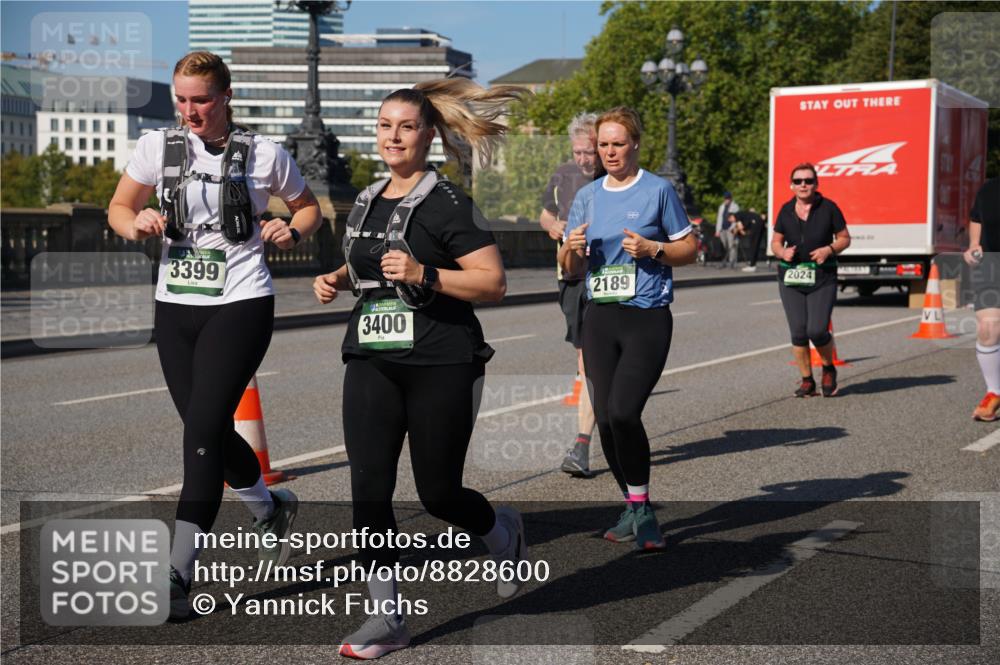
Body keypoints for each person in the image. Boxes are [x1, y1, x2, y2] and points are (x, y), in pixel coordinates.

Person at [311, 78, 530, 660]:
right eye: (385, 126)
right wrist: (337, 278)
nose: (393, 137)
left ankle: (500, 531)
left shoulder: (449, 203)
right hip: (371, 360)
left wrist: (425, 276)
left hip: (442, 360)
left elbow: (493, 282)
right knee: (369, 489)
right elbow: (367, 263)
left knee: (438, 493)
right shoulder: (365, 199)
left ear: (429, 135)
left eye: (406, 127)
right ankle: (387, 616)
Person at [107, 51, 322, 620]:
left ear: (225, 95)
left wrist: (288, 226)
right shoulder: (157, 147)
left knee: (201, 431)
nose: (189, 110)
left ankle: (178, 572)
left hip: (242, 299)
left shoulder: (265, 153)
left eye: (200, 99)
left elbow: (309, 210)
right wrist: (137, 224)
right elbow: (120, 207)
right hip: (176, 305)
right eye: (181, 98)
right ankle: (269, 506)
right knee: (205, 429)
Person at [559, 107, 697, 550]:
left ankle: (643, 514)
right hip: (600, 314)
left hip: (646, 316)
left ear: (635, 143)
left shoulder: (658, 190)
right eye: (603, 144)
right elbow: (568, 267)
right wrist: (572, 250)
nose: (610, 151)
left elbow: (689, 247)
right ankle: (636, 506)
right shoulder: (588, 195)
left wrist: (655, 248)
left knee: (623, 411)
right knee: (604, 421)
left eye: (618, 143)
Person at [538, 112, 599, 477]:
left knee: (596, 361)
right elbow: (545, 214)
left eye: (589, 151)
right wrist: (554, 225)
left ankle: (585, 441)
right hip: (573, 276)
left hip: (610, 276)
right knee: (586, 358)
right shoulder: (563, 174)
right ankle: (584, 442)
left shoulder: (617, 175)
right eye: (578, 152)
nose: (584, 159)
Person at [771, 163, 851, 398]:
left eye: (808, 181)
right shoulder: (785, 210)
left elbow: (845, 238)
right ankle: (807, 380)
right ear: (791, 185)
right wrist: (781, 252)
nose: (803, 185)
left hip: (822, 276)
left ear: (816, 184)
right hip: (792, 277)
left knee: (816, 330)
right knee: (798, 332)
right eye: (798, 181)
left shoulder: (829, 208)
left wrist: (829, 249)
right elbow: (775, 242)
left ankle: (828, 367)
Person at [963, 175, 1000, 421]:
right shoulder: (989, 189)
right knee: (988, 328)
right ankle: (994, 392)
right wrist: (974, 244)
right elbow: (976, 218)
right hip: (993, 266)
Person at [715, 191, 740, 268]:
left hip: (730, 229)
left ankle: (732, 262)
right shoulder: (721, 207)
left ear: (731, 199)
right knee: (724, 246)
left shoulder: (735, 207)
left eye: (728, 199)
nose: (726, 200)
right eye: (725, 199)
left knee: (732, 246)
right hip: (723, 229)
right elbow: (719, 218)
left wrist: (732, 228)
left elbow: (736, 219)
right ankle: (724, 261)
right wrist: (717, 230)